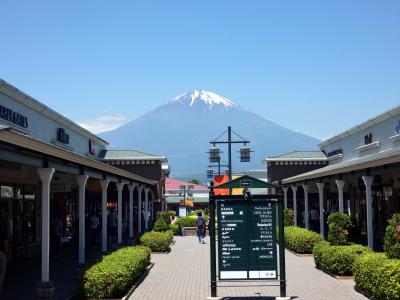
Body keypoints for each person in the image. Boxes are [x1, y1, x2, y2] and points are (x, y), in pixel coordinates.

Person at [0, 220, 8, 296]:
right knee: (2, 273)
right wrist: (6, 253)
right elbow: (5, 243)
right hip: (1, 253)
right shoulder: (2, 229)